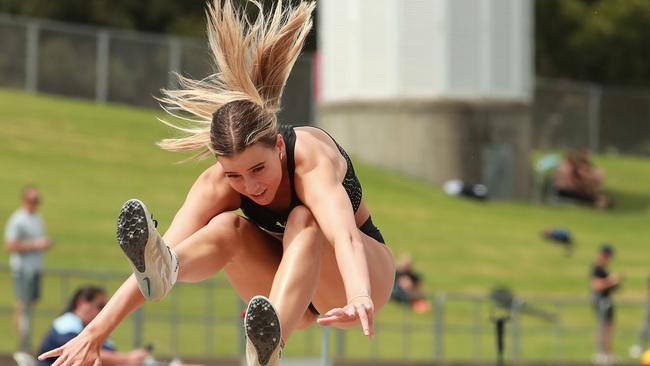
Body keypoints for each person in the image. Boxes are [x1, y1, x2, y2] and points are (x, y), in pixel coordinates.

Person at [39, 1, 395, 365]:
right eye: (235, 175)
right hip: (287, 291)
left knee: (304, 218)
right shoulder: (217, 183)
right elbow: (152, 261)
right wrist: (94, 333)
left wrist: (359, 294)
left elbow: (344, 235)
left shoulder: (310, 158)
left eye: (258, 169)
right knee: (222, 229)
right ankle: (261, 344)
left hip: (357, 277)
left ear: (277, 146)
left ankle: (270, 348)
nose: (250, 186)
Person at [38, 285, 149, 366]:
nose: (104, 312)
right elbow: (82, 351)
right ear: (81, 303)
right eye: (101, 306)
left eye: (106, 307)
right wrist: (127, 359)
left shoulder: (98, 331)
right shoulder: (67, 322)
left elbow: (108, 353)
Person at [4, 185, 52, 352]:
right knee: (22, 304)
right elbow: (10, 245)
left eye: (37, 200)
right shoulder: (18, 219)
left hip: (35, 268)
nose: (35, 203)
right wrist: (36, 245)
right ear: (25, 200)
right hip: (22, 268)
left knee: (30, 304)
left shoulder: (37, 218)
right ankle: (22, 343)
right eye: (32, 200)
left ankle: (27, 340)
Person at [590, 244, 620, 365]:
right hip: (601, 302)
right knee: (603, 328)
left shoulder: (604, 268)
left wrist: (614, 284)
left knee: (609, 328)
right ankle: (601, 353)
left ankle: (608, 353)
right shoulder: (597, 268)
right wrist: (611, 280)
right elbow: (596, 285)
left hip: (607, 301)